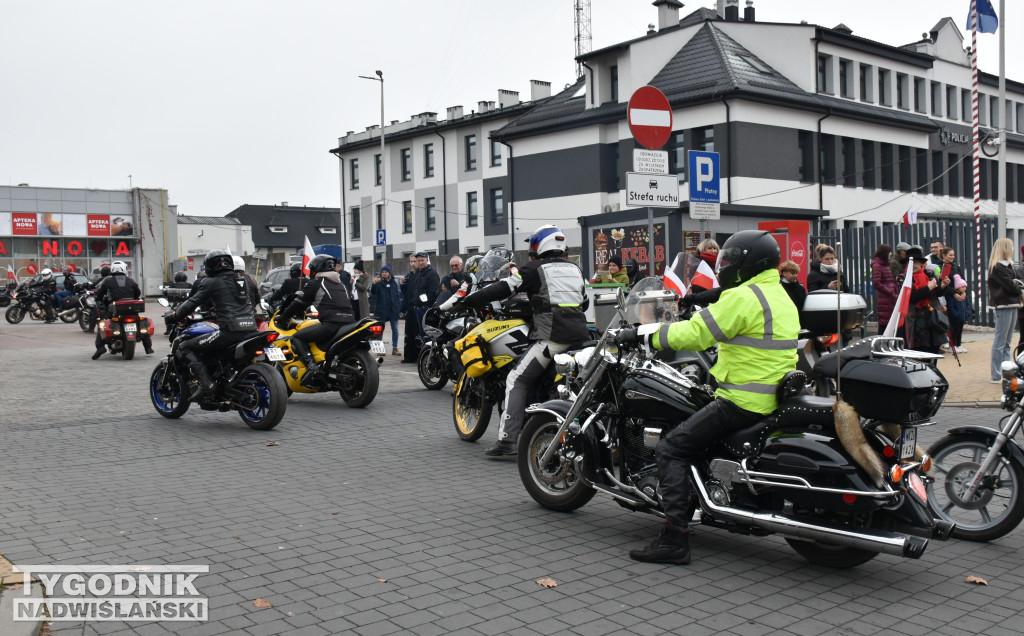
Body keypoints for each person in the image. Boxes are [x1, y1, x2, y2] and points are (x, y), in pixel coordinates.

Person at [618, 230, 799, 565]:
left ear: (749, 262)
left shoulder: (744, 297)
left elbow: (696, 333)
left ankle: (674, 540)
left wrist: (645, 335)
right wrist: (696, 302)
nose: (725, 265)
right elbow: (727, 305)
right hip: (769, 398)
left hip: (741, 400)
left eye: (730, 260)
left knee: (671, 448)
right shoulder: (777, 293)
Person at [442, 225, 589, 458]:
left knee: (516, 379)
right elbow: (584, 302)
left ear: (540, 245)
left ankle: (508, 440)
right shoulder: (575, 269)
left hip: (553, 338)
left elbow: (502, 288)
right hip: (582, 336)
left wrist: (467, 302)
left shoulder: (533, 269)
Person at [164, 250, 258, 400]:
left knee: (186, 346)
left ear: (210, 267)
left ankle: (206, 384)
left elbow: (192, 302)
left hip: (230, 331)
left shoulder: (212, 282)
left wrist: (175, 316)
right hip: (252, 329)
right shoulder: (244, 281)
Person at [274, 254, 356, 386]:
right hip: (350, 323)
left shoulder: (316, 284)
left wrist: (283, 317)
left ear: (317, 269)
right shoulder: (341, 285)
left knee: (297, 337)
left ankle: (312, 366)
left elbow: (299, 303)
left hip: (331, 324)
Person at [93, 261, 153, 358]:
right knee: (140, 323)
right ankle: (148, 347)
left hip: (114, 307)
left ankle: (100, 347)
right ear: (125, 269)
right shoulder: (131, 280)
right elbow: (137, 293)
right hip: (132, 308)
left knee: (102, 324)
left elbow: (100, 294)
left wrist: (98, 299)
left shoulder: (107, 281)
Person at [903, 247, 949, 355]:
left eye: (916, 262)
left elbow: (936, 294)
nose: (913, 265)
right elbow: (912, 297)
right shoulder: (902, 278)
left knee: (933, 351)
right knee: (918, 353)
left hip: (932, 319)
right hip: (914, 321)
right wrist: (928, 288)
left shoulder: (928, 274)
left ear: (921, 264)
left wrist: (942, 286)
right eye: (910, 263)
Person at [988, 238, 1021, 383]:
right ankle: (995, 374)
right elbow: (1011, 286)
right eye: (1011, 247)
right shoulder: (998, 267)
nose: (1013, 250)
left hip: (1012, 303)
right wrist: (1017, 286)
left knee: (1007, 341)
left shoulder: (1008, 266)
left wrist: (1016, 285)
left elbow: (1014, 284)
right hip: (1004, 304)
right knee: (1000, 341)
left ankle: (1007, 372)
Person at [402, 252, 440, 363]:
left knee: (428, 335)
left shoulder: (432, 273)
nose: (420, 262)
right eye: (418, 260)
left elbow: (434, 292)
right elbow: (412, 291)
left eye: (422, 260)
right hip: (417, 309)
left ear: (427, 260)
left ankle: (432, 359)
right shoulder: (418, 274)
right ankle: (424, 358)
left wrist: (425, 301)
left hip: (425, 309)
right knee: (422, 336)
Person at [371, 264, 403, 356]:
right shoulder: (379, 283)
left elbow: (396, 296)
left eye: (386, 272)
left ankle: (395, 348)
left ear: (389, 273)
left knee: (395, 330)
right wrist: (374, 283)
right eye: (382, 272)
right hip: (381, 310)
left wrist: (398, 308)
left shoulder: (394, 283)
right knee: (379, 330)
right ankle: (379, 349)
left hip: (393, 310)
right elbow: (373, 292)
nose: (384, 273)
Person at [872, 244, 897, 335]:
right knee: (884, 322)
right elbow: (876, 283)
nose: (891, 254)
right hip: (885, 298)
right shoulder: (877, 265)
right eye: (889, 252)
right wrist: (889, 291)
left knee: (890, 322)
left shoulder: (886, 264)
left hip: (891, 297)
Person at [949, 275, 972, 354]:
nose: (964, 288)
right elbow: (951, 307)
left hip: (962, 317)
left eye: (965, 287)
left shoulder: (965, 296)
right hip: (955, 317)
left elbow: (968, 305)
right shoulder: (953, 296)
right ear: (957, 288)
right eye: (962, 287)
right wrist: (956, 314)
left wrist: (968, 312)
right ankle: (952, 346)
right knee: (954, 331)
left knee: (959, 331)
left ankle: (958, 345)